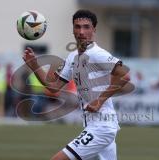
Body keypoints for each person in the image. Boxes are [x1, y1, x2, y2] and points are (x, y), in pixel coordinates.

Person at [23, 9, 132, 160]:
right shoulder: (72, 57)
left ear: (94, 29)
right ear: (73, 29)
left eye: (86, 27)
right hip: (96, 126)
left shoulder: (96, 53)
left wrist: (99, 100)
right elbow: (53, 87)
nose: (81, 31)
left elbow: (124, 75)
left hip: (101, 128)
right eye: (77, 27)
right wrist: (34, 65)